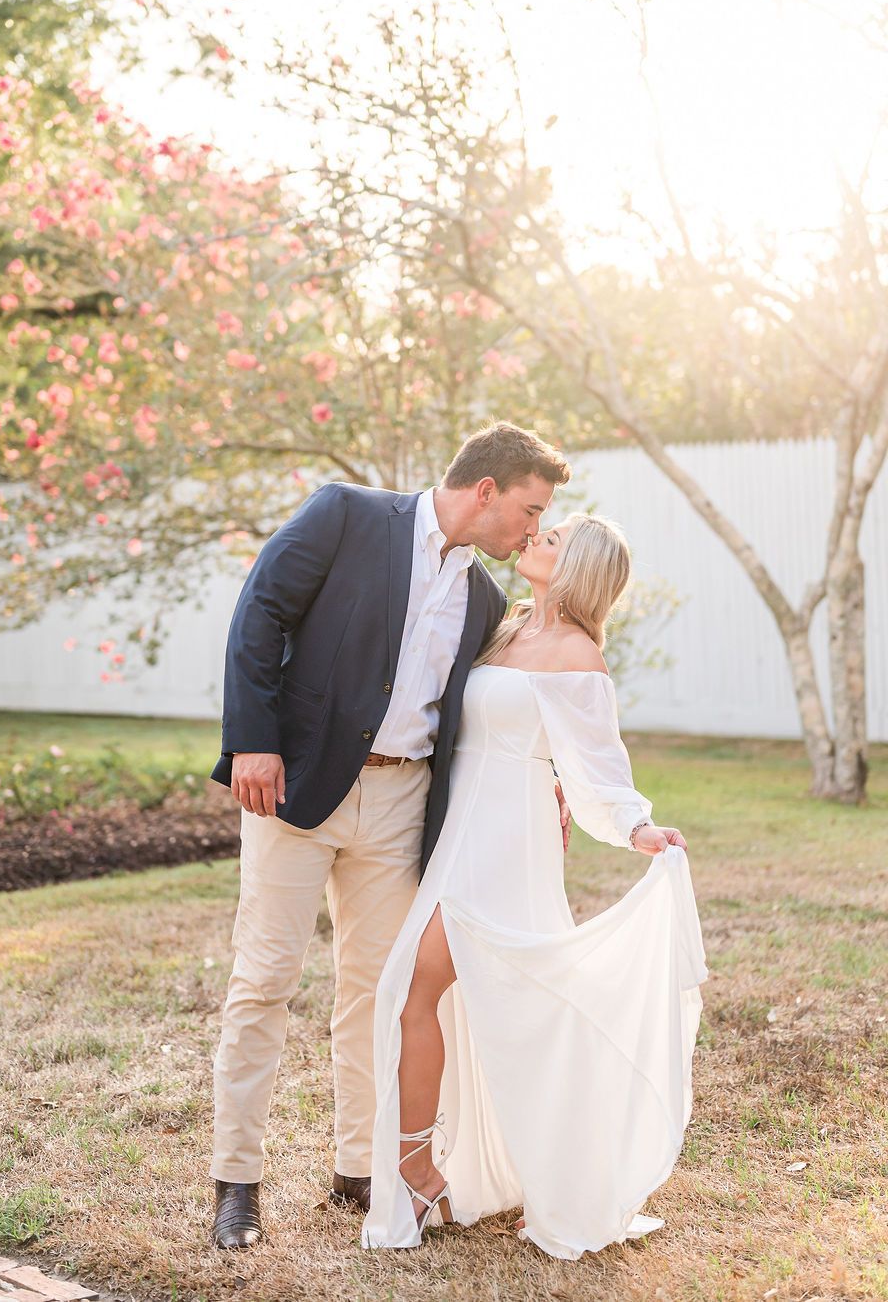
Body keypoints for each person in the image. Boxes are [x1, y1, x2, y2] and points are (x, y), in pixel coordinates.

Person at [208, 422, 573, 1248]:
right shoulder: (346, 515)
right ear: (487, 491)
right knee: (265, 979)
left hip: (404, 801)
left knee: (379, 990)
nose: (531, 527)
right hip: (295, 788)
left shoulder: (483, 597)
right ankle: (238, 1181)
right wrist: (253, 740)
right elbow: (260, 612)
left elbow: (491, 707)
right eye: (530, 508)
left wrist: (546, 779)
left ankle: (358, 1167)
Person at [361, 512, 708, 1260]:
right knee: (429, 997)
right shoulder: (505, 626)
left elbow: (599, 765)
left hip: (508, 845)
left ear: (578, 563)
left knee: (444, 995)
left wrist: (637, 826)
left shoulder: (579, 655)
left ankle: (452, 1173)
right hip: (461, 830)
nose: (534, 539)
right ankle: (426, 1169)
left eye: (552, 538)